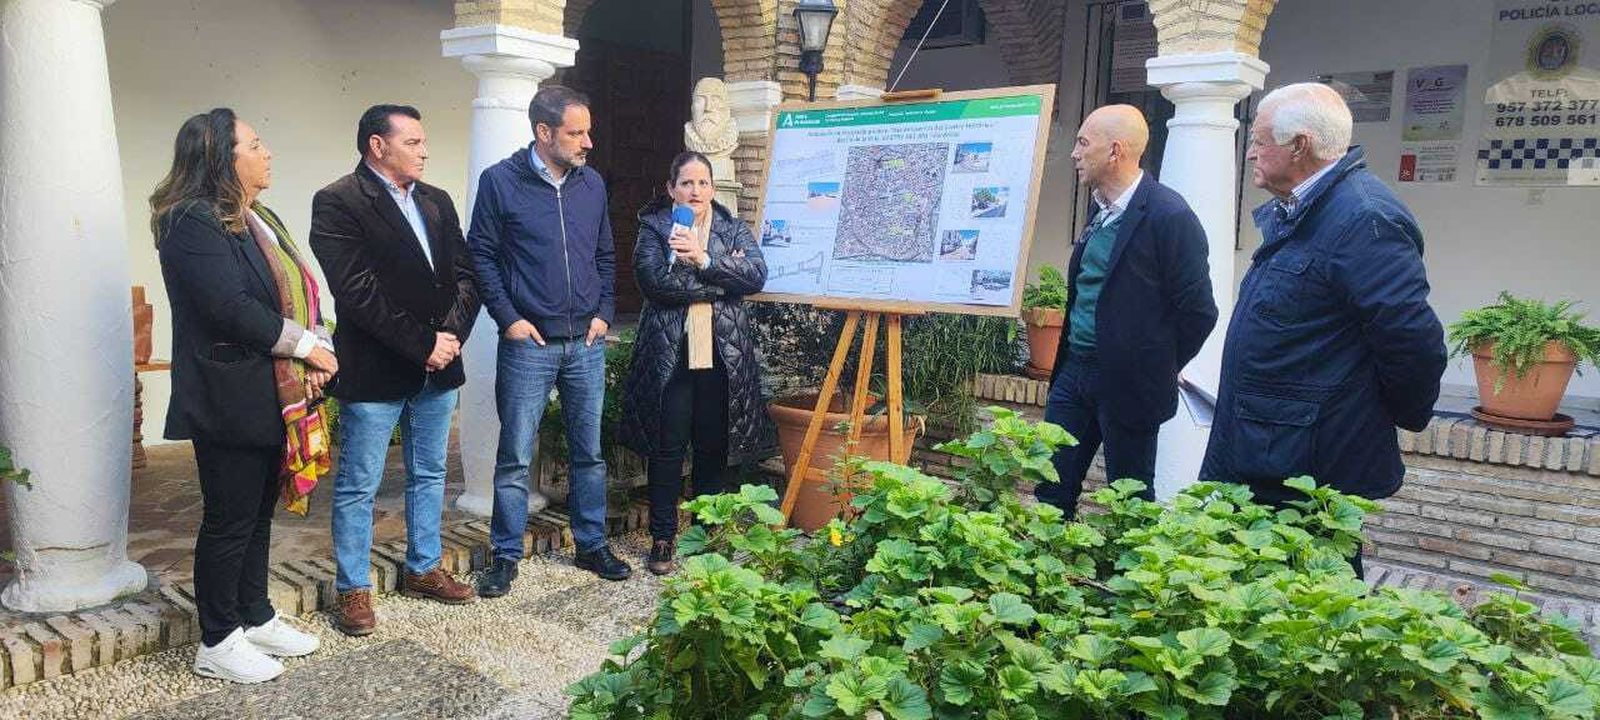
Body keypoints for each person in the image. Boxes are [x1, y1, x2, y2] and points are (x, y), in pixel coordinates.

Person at [1201, 83, 1446, 554]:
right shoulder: (1308, 209)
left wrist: (1371, 416)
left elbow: (1412, 341)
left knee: (1312, 589)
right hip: (1268, 448)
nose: (1250, 153)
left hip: (1307, 464)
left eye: (1259, 141)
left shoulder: (1364, 219)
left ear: (1300, 145)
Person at [152, 108, 332, 683]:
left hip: (270, 389)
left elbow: (299, 294)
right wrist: (307, 347)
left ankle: (254, 616)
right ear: (218, 158)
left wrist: (315, 346)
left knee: (257, 514)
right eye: (254, 144)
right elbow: (229, 308)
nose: (267, 152)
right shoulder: (190, 221)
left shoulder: (258, 217)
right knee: (229, 518)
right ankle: (217, 640)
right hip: (228, 392)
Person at [309, 104, 480, 636]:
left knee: (430, 473)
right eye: (412, 142)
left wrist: (449, 339)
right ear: (377, 146)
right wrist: (423, 345)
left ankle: (423, 568)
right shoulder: (338, 201)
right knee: (359, 483)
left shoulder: (436, 200)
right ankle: (353, 588)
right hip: (376, 369)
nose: (424, 151)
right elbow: (357, 292)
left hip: (438, 367)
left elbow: (466, 275)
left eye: (424, 142)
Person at [468, 85, 631, 594]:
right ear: (544, 132)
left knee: (590, 453)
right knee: (516, 455)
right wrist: (509, 319)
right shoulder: (500, 182)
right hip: (529, 345)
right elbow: (481, 256)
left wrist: (605, 312)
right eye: (576, 133)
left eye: (588, 132)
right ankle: (505, 555)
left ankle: (591, 545)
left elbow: (605, 254)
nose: (588, 143)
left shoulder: (592, 184)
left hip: (586, 343)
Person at [1039, 105, 1217, 518]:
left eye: (1083, 143)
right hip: (1074, 373)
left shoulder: (1169, 216)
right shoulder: (1101, 210)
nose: (1074, 153)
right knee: (1051, 487)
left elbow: (1198, 311)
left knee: (1129, 502)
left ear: (1115, 151)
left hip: (1130, 382)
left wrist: (1158, 362)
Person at [619, 151, 769, 575]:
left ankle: (706, 532)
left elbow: (756, 275)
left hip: (723, 356)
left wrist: (703, 259)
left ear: (713, 188)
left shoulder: (732, 227)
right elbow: (654, 282)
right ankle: (663, 537)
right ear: (672, 189)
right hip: (670, 355)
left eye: (703, 183)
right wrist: (721, 284)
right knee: (667, 449)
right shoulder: (655, 228)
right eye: (686, 183)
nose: (695, 191)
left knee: (712, 446)